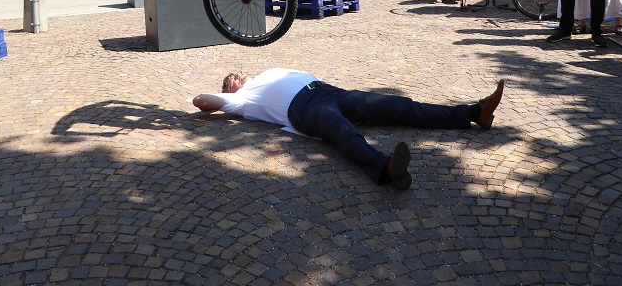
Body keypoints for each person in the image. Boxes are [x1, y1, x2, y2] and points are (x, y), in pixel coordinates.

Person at [192, 67, 505, 189]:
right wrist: (222, 96)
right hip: (304, 109)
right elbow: (201, 101)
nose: (236, 76)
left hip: (327, 89)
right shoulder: (240, 98)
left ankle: (472, 113)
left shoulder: (263, 75)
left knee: (396, 105)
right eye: (231, 80)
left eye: (237, 74)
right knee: (342, 131)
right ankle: (384, 168)